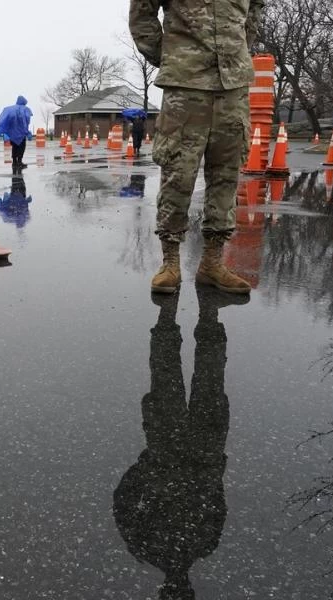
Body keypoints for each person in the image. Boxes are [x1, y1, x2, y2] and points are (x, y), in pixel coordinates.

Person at [130, 0, 265, 295]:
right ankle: (170, 263)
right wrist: (170, 56)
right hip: (185, 84)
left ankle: (213, 263)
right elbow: (142, 14)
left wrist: (240, 47)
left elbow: (255, 8)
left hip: (234, 84)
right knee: (178, 172)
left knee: (226, 175)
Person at [113, 289, 238, 599]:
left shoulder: (147, 547)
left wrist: (145, 468)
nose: (177, 588)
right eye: (182, 594)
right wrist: (211, 474)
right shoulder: (205, 545)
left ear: (164, 591)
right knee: (208, 377)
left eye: (172, 594)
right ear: (189, 590)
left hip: (167, 455)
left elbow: (124, 503)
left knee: (167, 373)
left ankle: (168, 319)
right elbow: (218, 504)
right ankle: (207, 317)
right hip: (201, 454)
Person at [0, 96, 33, 168]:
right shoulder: (25, 109)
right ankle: (19, 161)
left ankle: (14, 161)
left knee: (15, 147)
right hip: (21, 133)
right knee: (21, 147)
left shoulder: (9, 110)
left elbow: (3, 118)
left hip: (12, 133)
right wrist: (27, 132)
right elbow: (25, 122)